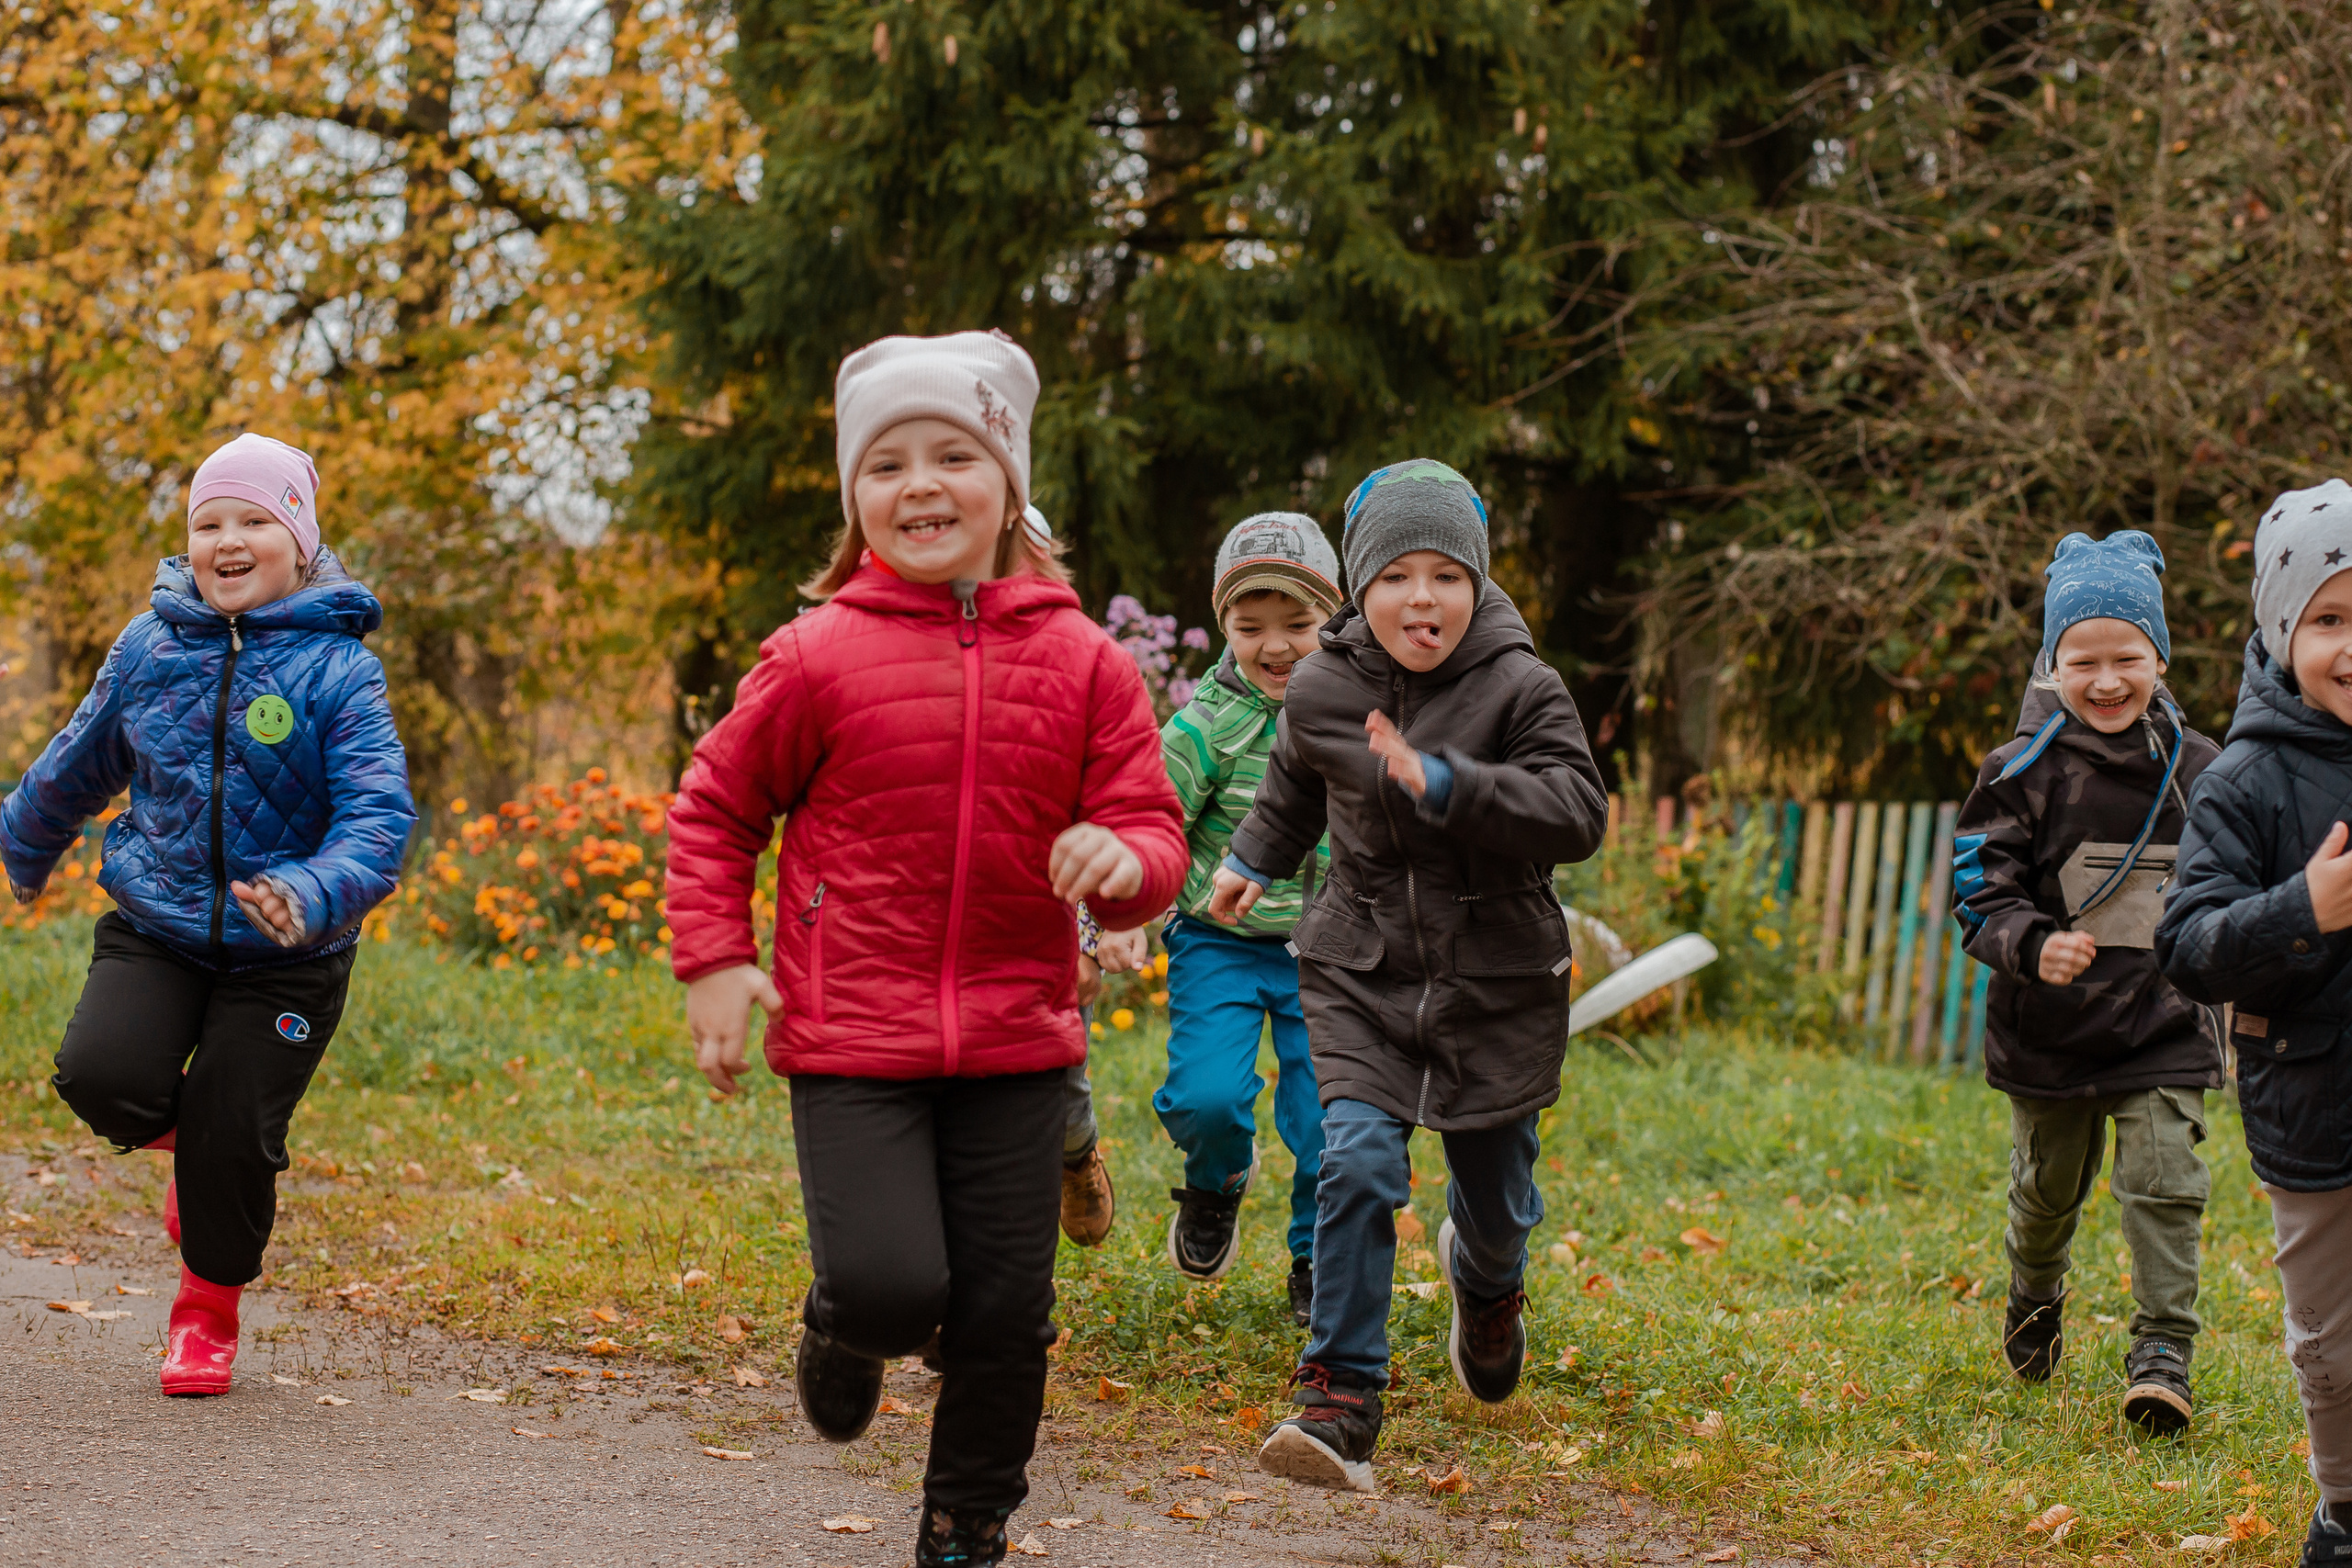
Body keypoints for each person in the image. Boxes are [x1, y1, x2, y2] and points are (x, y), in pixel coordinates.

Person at [662, 330, 1186, 1568]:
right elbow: (717, 807)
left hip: (1016, 1036)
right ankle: (843, 1320)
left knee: (1006, 1311)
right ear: (856, 498)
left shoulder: (1089, 666)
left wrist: (1124, 862)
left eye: (954, 451)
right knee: (897, 1286)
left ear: (1009, 483)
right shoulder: (815, 658)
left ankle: (967, 1523)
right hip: (855, 1034)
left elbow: (1150, 823)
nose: (921, 482)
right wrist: (714, 958)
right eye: (886, 462)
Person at [1208, 459, 1607, 1493]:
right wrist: (1253, 860)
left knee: (1495, 1201)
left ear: (1476, 586)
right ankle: (1337, 1400)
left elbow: (1576, 813)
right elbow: (1299, 780)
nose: (1418, 598)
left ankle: (1488, 1287)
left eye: (1444, 575)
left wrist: (1455, 783)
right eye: (1393, 576)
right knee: (1356, 1166)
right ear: (1360, 586)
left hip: (1499, 978)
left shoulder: (1525, 687)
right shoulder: (1327, 681)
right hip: (1361, 967)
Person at [1, 433, 414, 1397]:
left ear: (299, 544)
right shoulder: (150, 648)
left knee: (234, 1131)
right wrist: (25, 842)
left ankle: (204, 1316)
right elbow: (79, 757)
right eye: (207, 523)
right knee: (102, 1078)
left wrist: (310, 892)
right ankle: (208, 1157)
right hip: (159, 924)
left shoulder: (339, 673)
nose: (228, 540)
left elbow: (377, 815)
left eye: (254, 521)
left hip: (290, 952)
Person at [1949, 530, 2221, 1434]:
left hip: (2164, 1024)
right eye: (2082, 660)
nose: (2106, 681)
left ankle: (2162, 1356)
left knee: (2164, 1178)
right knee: (2046, 1190)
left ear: (2159, 658)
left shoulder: (2202, 772)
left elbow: (2238, 874)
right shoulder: (2016, 773)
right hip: (2050, 1030)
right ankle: (2034, 1292)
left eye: (2127, 658)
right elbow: (1975, 891)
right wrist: (2031, 943)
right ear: (2052, 662)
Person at [2158, 480, 2352, 1565]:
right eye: (2330, 619)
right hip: (2314, 1103)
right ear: (2282, 632)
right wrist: (2303, 911)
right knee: (2334, 1341)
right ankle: (2342, 1509)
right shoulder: (2245, 779)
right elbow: (2187, 946)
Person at [1099, 513, 1340, 1320]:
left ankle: (1316, 1253)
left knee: (1332, 1119)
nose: (1275, 646)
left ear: (1335, 620)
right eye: (1251, 627)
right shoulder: (1207, 726)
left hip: (1332, 952)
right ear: (1223, 626)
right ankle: (1216, 1181)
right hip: (1220, 940)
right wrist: (1122, 913)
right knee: (1206, 1097)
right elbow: (1150, 821)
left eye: (1298, 625)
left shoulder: (1358, 719)